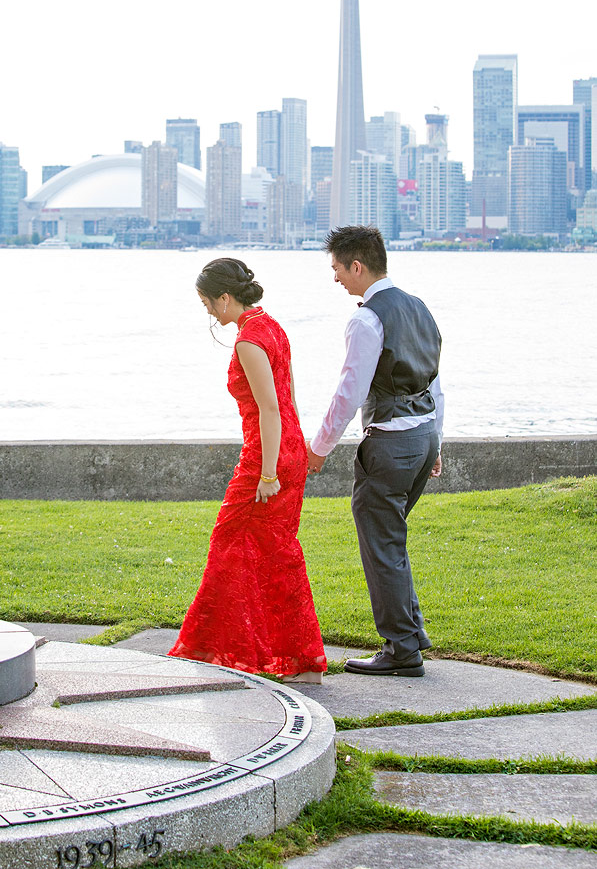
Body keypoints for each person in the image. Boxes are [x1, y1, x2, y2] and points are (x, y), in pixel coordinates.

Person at [169, 257, 327, 683]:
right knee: (278, 553)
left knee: (230, 542)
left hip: (269, 456)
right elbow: (290, 397)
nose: (206, 311)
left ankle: (221, 650)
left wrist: (269, 473)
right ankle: (298, 660)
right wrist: (296, 452)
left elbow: (270, 409)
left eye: (207, 302)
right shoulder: (272, 326)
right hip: (289, 448)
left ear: (225, 297)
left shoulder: (249, 341)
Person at [306, 226, 443, 678]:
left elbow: (350, 391)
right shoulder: (418, 306)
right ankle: (413, 634)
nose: (336, 279)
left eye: (337, 269)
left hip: (389, 445)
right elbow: (434, 380)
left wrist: (320, 447)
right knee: (392, 539)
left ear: (357, 266)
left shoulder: (366, 319)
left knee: (381, 546)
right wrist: (437, 441)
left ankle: (402, 650)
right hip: (422, 439)